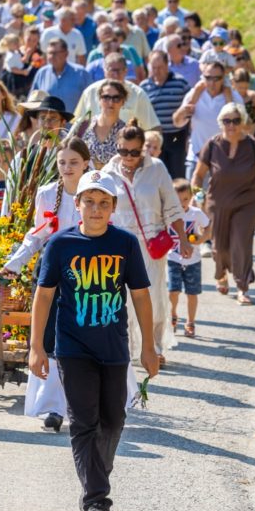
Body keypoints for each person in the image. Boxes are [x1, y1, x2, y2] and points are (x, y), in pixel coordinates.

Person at [30, 169, 159, 511]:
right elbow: (44, 296)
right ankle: (96, 501)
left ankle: (95, 473)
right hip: (74, 349)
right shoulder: (61, 245)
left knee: (114, 420)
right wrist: (36, 347)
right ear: (78, 204)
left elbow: (140, 296)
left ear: (113, 207)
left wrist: (148, 346)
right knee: (84, 423)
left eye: (104, 203)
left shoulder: (125, 244)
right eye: (89, 201)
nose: (96, 209)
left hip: (114, 348)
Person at [3, 136, 91, 432]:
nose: (67, 168)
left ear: (86, 164)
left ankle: (80, 403)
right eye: (62, 162)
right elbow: (37, 235)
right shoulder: (46, 194)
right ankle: (52, 407)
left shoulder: (94, 192)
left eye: (74, 162)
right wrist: (15, 262)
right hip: (53, 271)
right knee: (51, 337)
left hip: (86, 272)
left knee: (80, 338)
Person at [102, 124, 190, 367]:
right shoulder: (109, 172)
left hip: (151, 245)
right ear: (117, 147)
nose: (129, 157)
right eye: (124, 150)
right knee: (123, 299)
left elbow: (172, 204)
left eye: (134, 152)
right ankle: (129, 349)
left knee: (153, 296)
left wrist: (183, 239)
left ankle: (156, 347)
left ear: (143, 149)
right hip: (118, 245)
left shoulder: (157, 168)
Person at [192, 103, 255, 304]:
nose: (231, 125)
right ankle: (221, 273)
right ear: (221, 123)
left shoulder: (252, 146)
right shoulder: (212, 145)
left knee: (241, 244)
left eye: (236, 121)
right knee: (220, 247)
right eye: (227, 121)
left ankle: (242, 287)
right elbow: (198, 175)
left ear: (242, 122)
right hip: (217, 202)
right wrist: (196, 195)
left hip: (246, 203)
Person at [174, 61, 243, 180]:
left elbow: (245, 126)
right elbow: (177, 122)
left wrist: (229, 101)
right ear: (202, 77)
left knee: (221, 199)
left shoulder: (234, 96)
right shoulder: (194, 94)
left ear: (223, 79)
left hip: (224, 160)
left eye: (217, 78)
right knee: (195, 197)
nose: (212, 82)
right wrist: (184, 110)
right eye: (208, 78)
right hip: (196, 158)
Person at [167, 179, 212, 338]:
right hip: (173, 258)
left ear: (191, 197)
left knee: (192, 293)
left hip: (193, 260)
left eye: (185, 199)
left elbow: (208, 226)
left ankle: (190, 322)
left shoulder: (196, 213)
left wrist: (202, 239)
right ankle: (172, 316)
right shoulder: (167, 214)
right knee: (173, 291)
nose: (182, 203)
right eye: (177, 200)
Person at [141, 49, 192, 179]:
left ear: (167, 65)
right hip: (154, 139)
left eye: (160, 67)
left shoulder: (181, 83)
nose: (157, 71)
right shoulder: (144, 87)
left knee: (177, 174)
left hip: (177, 137)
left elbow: (190, 110)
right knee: (155, 175)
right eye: (154, 68)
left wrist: (189, 136)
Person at [74, 54, 160, 130]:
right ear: (105, 71)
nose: (116, 75)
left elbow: (152, 127)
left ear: (126, 71)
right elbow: (78, 124)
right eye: (112, 70)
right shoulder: (90, 92)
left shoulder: (138, 94)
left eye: (119, 70)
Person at [72, 79, 129, 168]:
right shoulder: (83, 126)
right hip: (85, 180)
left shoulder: (127, 132)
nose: (111, 102)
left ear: (123, 102)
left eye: (116, 98)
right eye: (106, 97)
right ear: (99, 99)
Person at [30, 39, 92, 113]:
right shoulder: (41, 74)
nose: (51, 56)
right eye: (49, 53)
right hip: (47, 124)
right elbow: (32, 102)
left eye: (55, 53)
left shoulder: (81, 73)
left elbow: (91, 100)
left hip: (74, 124)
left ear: (66, 54)